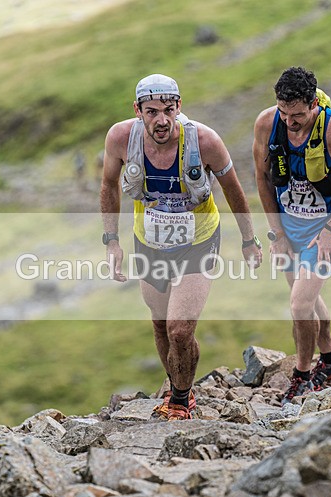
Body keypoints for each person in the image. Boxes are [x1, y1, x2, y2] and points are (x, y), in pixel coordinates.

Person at [101, 74, 263, 420]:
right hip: (149, 242)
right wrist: (112, 241)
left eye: (168, 110)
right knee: (161, 324)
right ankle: (179, 381)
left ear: (179, 107)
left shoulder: (204, 141)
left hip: (199, 240)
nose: (161, 120)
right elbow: (108, 186)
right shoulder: (120, 138)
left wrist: (249, 240)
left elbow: (234, 191)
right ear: (137, 110)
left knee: (179, 328)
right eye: (152, 111)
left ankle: (180, 400)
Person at [252, 67, 331, 405]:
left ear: (313, 105)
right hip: (288, 225)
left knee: (300, 303)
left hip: (326, 226)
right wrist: (276, 233)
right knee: (307, 300)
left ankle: (303, 375)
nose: (290, 121)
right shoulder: (266, 123)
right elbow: (261, 178)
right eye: (284, 113)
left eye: (298, 115)